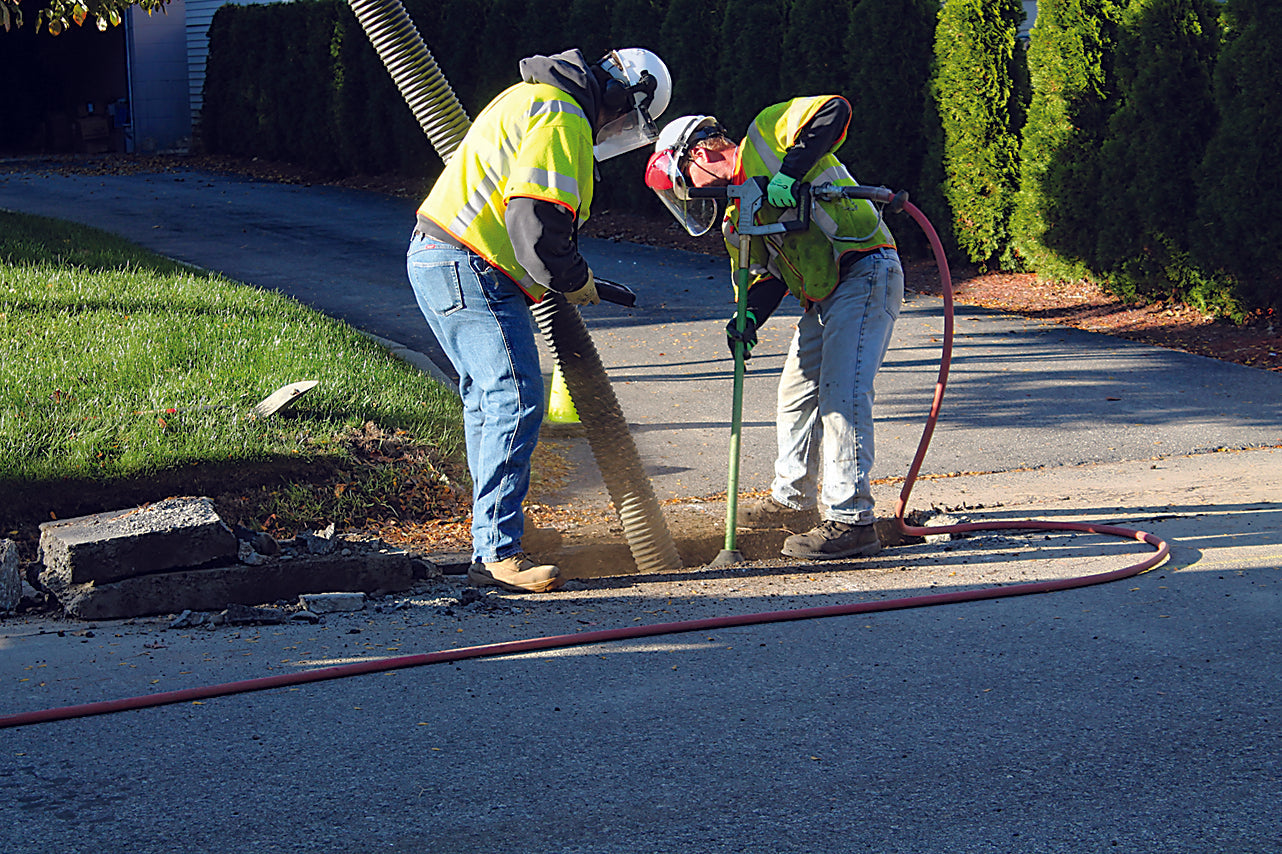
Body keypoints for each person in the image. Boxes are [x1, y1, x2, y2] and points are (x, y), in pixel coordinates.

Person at [408, 48, 672, 592]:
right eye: (628, 117)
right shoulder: (564, 115)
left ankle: (493, 538)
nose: (617, 129)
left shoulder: (533, 97)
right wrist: (575, 280)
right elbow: (534, 223)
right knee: (517, 397)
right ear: (624, 94)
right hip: (470, 261)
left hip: (444, 258)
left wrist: (565, 274)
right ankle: (499, 553)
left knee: (487, 402)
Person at [644, 98, 903, 560]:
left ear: (698, 154)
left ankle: (852, 521)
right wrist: (747, 317)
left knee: (841, 395)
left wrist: (789, 172)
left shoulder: (767, 133)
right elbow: (764, 277)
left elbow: (835, 111)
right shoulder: (735, 218)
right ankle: (794, 502)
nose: (692, 196)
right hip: (825, 297)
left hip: (865, 268)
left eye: (687, 183)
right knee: (795, 393)